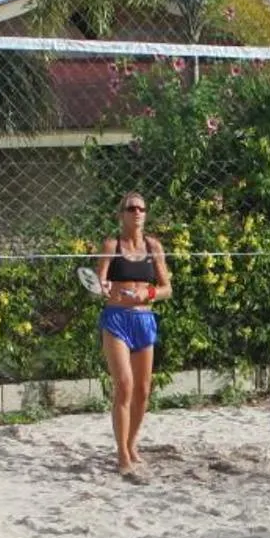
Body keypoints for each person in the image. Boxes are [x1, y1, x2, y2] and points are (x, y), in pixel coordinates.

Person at [96, 191, 171, 477]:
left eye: (141, 208)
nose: (137, 212)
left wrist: (147, 292)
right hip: (116, 319)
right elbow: (99, 281)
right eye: (131, 208)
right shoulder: (112, 245)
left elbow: (167, 289)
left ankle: (132, 443)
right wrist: (102, 288)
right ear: (122, 214)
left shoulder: (154, 247)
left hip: (144, 319)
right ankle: (122, 454)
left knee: (143, 391)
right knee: (124, 385)